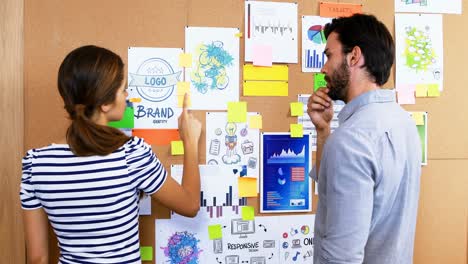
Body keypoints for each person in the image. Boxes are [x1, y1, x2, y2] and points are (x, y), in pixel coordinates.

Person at [20, 45, 202, 264]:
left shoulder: (35, 164)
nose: (127, 96)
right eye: (123, 89)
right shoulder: (131, 154)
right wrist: (190, 141)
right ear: (105, 103)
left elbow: (38, 258)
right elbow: (190, 205)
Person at [307, 14, 422, 264]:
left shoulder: (351, 139)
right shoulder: (404, 123)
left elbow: (341, 258)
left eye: (329, 55)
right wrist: (324, 131)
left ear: (354, 56)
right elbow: (332, 187)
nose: (323, 69)